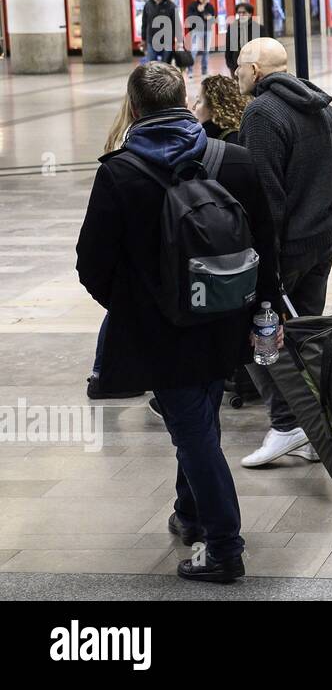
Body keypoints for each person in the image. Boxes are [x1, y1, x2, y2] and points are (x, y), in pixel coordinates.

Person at [76, 62, 279, 583]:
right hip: (227, 318)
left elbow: (91, 263)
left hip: (163, 332)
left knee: (194, 436)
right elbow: (266, 244)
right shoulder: (232, 160)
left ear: (135, 107)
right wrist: (260, 307)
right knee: (198, 417)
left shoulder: (119, 172)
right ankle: (189, 515)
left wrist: (137, 306)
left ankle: (224, 548)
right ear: (185, 100)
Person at [235, 37, 332, 466]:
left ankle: (285, 424)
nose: (234, 74)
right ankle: (313, 429)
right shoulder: (321, 106)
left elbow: (265, 198)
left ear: (257, 71)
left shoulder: (261, 113)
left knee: (259, 337)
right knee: (306, 337)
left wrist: (264, 265)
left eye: (239, 66)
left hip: (284, 252)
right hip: (318, 247)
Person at [86, 94, 146, 402]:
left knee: (124, 307)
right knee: (122, 308)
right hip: (132, 234)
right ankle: (101, 373)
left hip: (124, 234)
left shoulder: (124, 128)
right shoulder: (135, 136)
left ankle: (106, 372)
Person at [195, 74, 247, 143]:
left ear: (214, 108)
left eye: (198, 101)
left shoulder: (213, 140)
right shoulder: (241, 133)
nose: (194, 107)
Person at [141, 0, 180, 64]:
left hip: (167, 41)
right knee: (152, 65)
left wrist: (179, 41)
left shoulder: (171, 6)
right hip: (151, 40)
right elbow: (144, 23)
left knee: (165, 65)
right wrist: (143, 39)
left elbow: (177, 24)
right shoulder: (148, 5)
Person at [184, 0, 215, 79]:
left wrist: (203, 12)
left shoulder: (209, 6)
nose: (206, 0)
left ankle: (204, 70)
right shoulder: (193, 5)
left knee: (206, 51)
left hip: (208, 31)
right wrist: (199, 12)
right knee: (194, 50)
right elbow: (190, 17)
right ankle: (190, 70)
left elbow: (211, 18)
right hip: (197, 30)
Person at [224, 3, 259, 75]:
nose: (241, 15)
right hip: (236, 66)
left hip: (253, 66)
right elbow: (228, 47)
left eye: (244, 12)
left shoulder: (258, 28)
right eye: (239, 13)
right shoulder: (232, 27)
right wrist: (230, 64)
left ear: (250, 14)